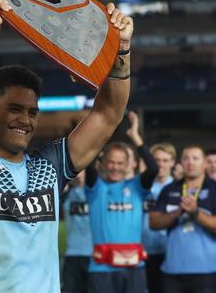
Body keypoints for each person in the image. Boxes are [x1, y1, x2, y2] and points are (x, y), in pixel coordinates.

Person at [0, 0, 133, 292]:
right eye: (14, 109)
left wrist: (121, 49)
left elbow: (108, 114)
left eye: (31, 112)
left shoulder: (49, 168)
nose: (25, 120)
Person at [149, 145, 216, 293]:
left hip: (207, 272)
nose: (190, 162)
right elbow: (154, 223)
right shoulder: (169, 189)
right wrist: (177, 213)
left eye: (195, 158)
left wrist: (195, 213)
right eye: (186, 158)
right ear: (180, 162)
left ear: (204, 163)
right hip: (172, 271)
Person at [85, 140, 159, 293]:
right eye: (111, 162)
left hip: (134, 268)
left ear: (127, 165)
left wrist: (136, 139)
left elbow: (153, 168)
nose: (115, 167)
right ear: (103, 163)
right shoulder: (96, 187)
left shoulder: (137, 186)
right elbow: (89, 164)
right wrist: (100, 138)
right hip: (102, 270)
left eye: (120, 163)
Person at [131, 113, 175, 293]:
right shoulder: (140, 187)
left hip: (170, 252)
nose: (161, 165)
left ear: (173, 162)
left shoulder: (179, 189)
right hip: (142, 252)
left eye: (165, 160)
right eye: (157, 160)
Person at [62, 171, 91, 293]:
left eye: (83, 170)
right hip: (72, 254)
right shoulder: (66, 192)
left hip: (94, 255)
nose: (79, 173)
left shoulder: (96, 190)